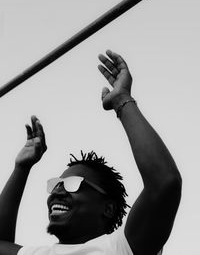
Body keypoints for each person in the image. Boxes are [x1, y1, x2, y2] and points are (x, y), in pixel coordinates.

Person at [0, 50, 182, 255]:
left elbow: (164, 183)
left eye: (72, 184)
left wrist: (122, 100)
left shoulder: (121, 247)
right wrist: (21, 169)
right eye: (56, 184)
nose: (58, 191)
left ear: (108, 208)